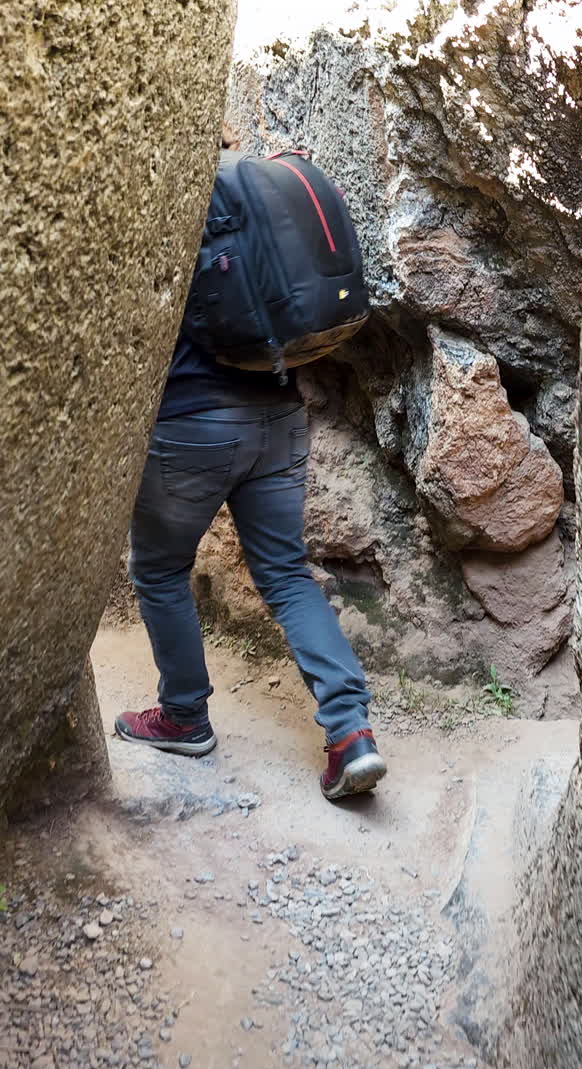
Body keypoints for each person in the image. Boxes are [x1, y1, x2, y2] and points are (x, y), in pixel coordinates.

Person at [114, 127, 386, 802]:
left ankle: (184, 717)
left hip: (193, 425)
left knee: (158, 570)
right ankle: (351, 733)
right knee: (288, 575)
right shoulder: (252, 200)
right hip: (279, 415)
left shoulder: (167, 205)